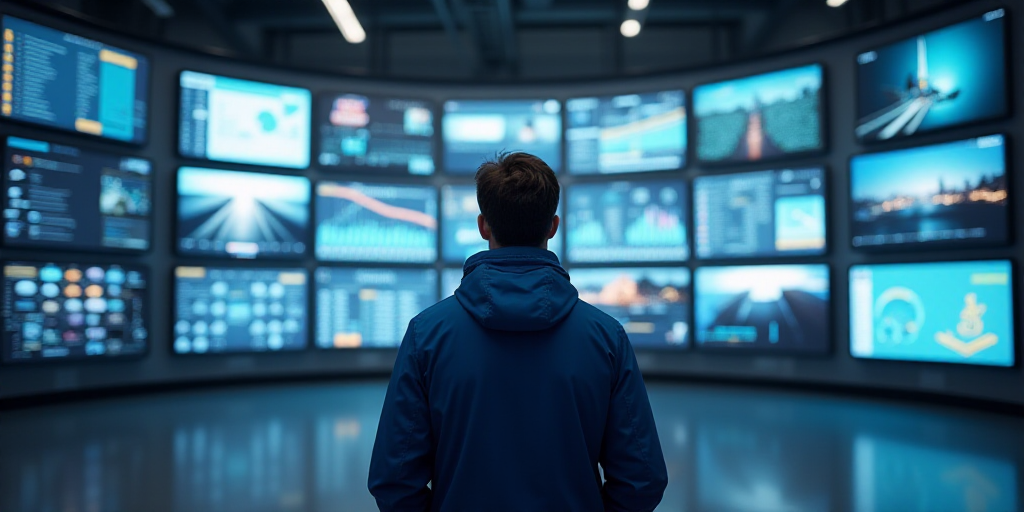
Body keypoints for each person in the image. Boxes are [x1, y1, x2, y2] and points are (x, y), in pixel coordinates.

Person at [368, 152, 668, 512]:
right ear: (553, 227)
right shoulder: (606, 337)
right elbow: (642, 481)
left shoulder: (426, 335)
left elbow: (394, 481)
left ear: (483, 226)